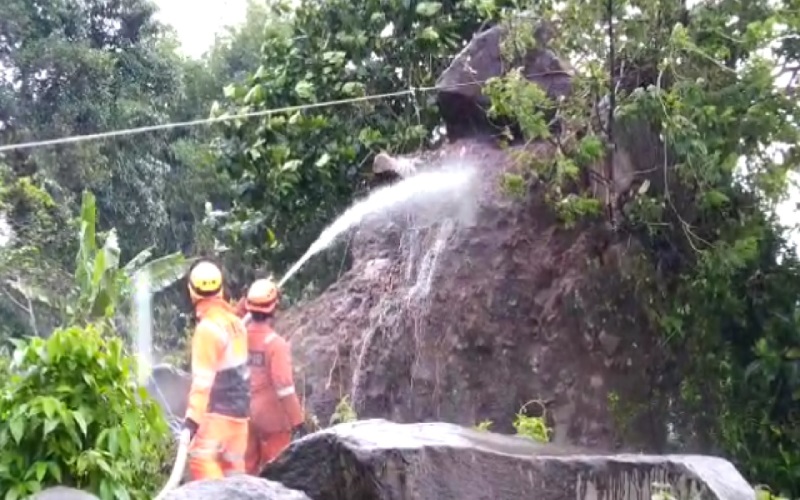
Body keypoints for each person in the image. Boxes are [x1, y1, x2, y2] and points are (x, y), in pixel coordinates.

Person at [182, 260, 251, 480]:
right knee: (235, 478)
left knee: (201, 460)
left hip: (218, 418)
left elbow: (202, 383)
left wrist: (191, 422)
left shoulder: (207, 329)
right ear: (220, 290)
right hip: (241, 420)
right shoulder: (236, 323)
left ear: (192, 293)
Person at [243, 278, 305, 474]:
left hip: (245, 414)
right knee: (277, 475)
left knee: (247, 474)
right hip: (273, 421)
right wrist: (299, 423)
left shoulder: (240, 337)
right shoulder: (275, 344)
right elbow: (284, 388)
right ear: (274, 308)